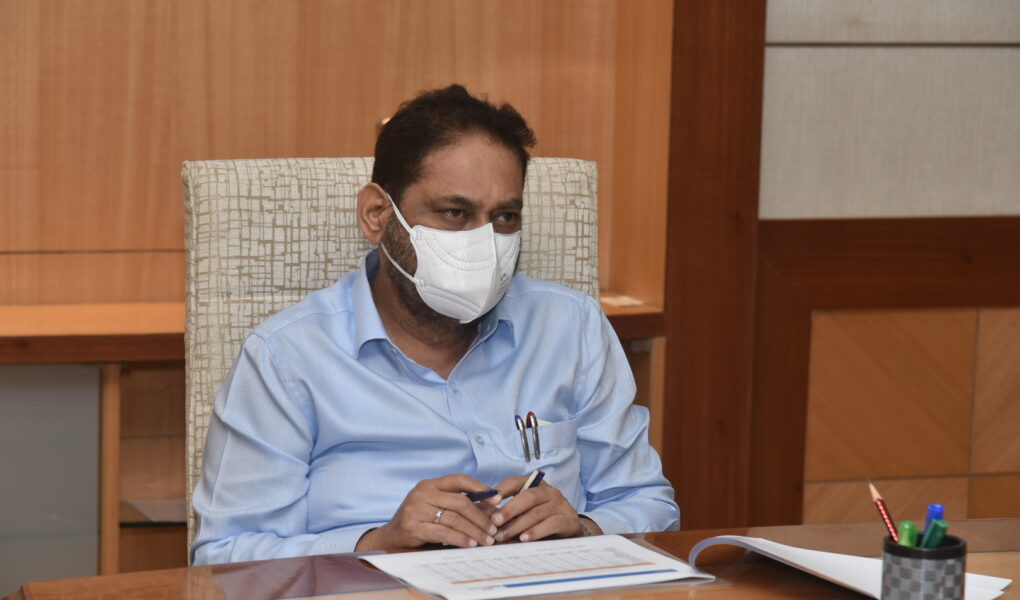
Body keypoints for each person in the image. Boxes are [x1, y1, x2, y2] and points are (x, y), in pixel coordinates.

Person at [190, 84, 679, 565]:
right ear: (377, 215)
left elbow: (650, 505)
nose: (485, 242)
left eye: (505, 216)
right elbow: (224, 558)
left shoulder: (572, 327)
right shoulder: (287, 357)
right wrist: (375, 543)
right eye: (455, 212)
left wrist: (584, 528)